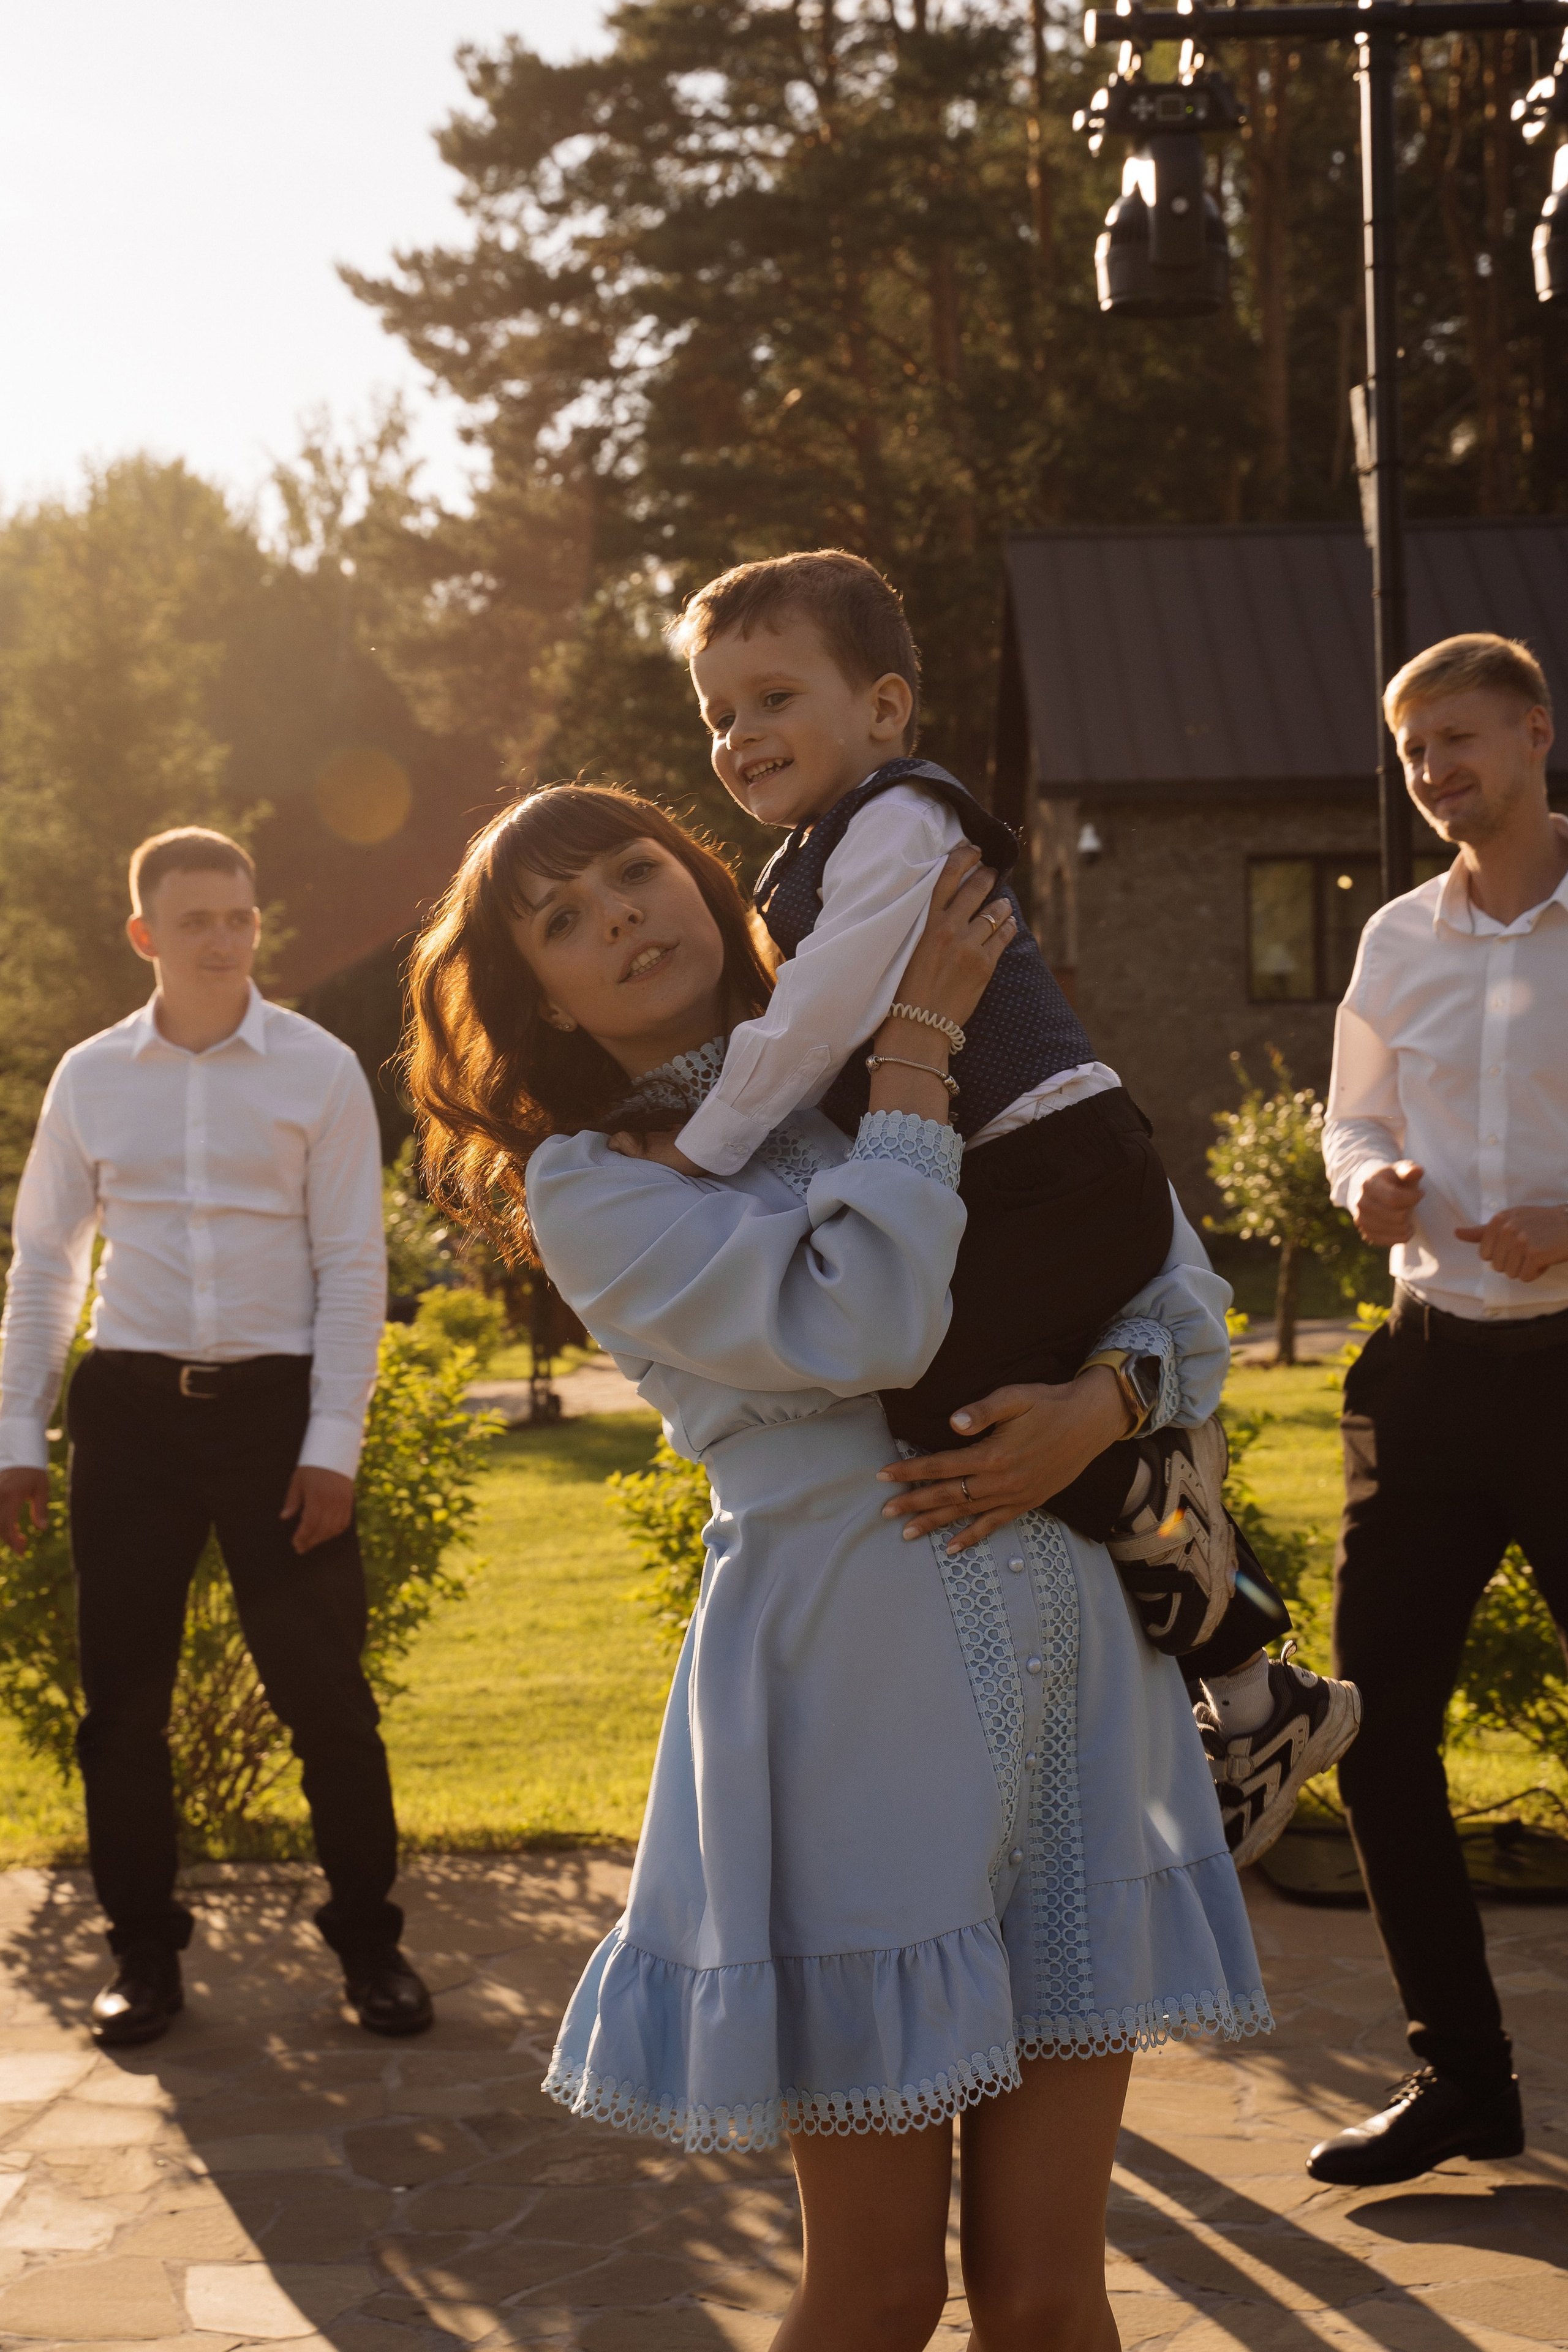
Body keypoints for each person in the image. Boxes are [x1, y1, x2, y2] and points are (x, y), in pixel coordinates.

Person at [405, 781, 1270, 2351]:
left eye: (631, 869)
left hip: (1082, 1679)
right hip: (848, 1709)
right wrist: (917, 1056)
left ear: (697, 870)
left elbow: (1170, 1274)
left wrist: (1104, 1403)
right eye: (561, 920)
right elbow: (862, 1324)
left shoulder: (891, 1035)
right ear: (539, 996)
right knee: (876, 2294)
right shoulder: (599, 1183)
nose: (618, 917)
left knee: (1046, 2292)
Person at [661, 549, 1356, 1866]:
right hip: (1011, 1178)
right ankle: (1258, 1686)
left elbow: (819, 1019)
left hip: (1054, 1158)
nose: (740, 737)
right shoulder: (806, 856)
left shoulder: (899, 823)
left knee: (938, 1398)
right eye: (715, 716)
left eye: (770, 698)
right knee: (965, 1410)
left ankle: (1227, 1612)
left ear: (881, 709)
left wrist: (696, 1153)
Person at [0, 828, 432, 2047]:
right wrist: (17, 1433)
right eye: (196, 921)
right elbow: (46, 1262)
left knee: (328, 1705)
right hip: (128, 1414)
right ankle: (142, 1955)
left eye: (239, 917)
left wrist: (331, 1445)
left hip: (274, 1416)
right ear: (145, 936)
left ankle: (369, 1946)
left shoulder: (319, 1070)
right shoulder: (91, 1078)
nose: (225, 940)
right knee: (120, 1711)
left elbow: (353, 1263)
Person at [1311, 633, 1567, 2188]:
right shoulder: (1394, 938)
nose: (1433, 773)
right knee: (1374, 1733)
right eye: (1413, 753)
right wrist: (1365, 1184)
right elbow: (1349, 1111)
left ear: (1536, 735)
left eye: (1458, 740)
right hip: (1422, 1376)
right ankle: (1457, 2085)